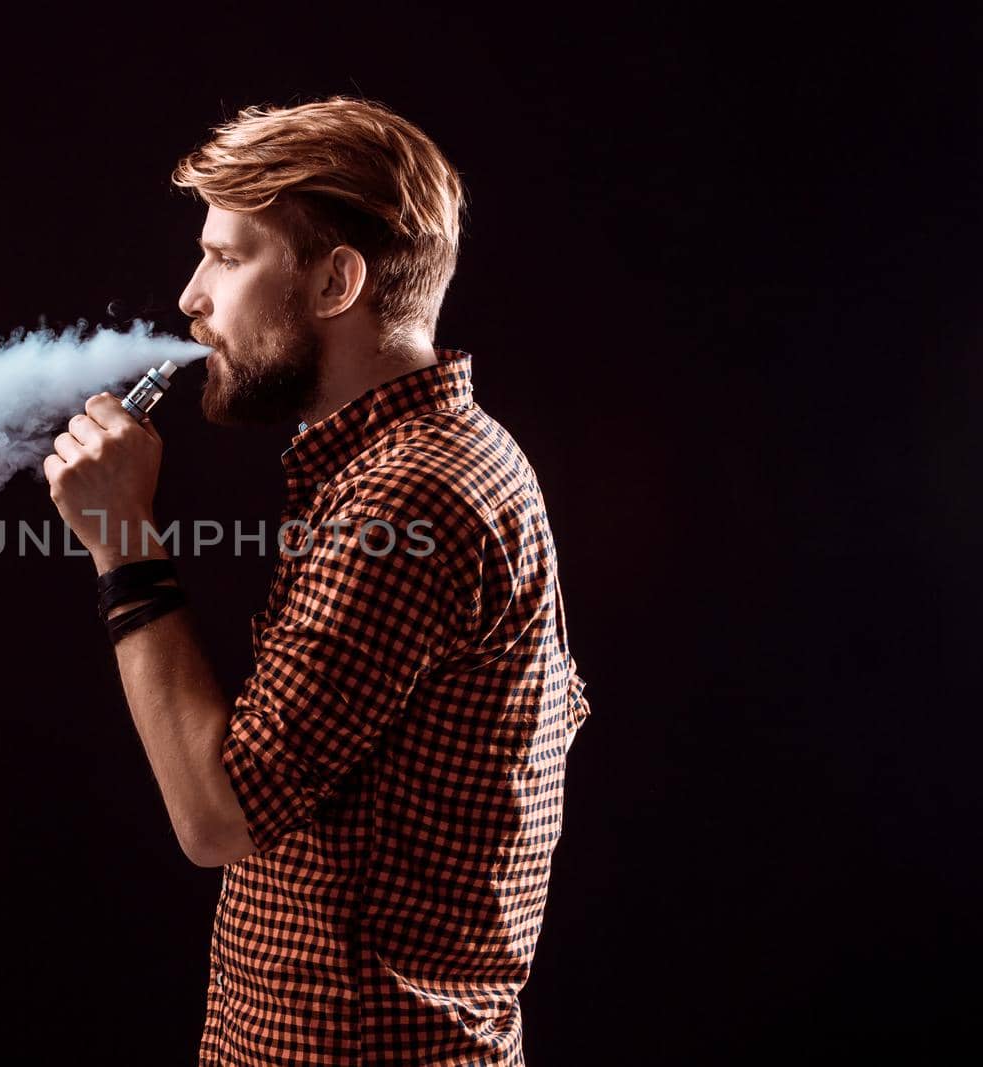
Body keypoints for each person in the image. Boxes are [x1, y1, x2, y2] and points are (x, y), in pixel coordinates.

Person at [43, 96, 590, 1066]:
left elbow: (218, 817)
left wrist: (122, 542)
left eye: (227, 255)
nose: (189, 296)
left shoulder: (405, 500)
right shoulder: (443, 459)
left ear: (337, 280)